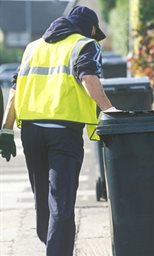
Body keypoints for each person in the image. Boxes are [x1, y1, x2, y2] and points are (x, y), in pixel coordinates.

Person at [0, 5, 117, 256]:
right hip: (63, 133)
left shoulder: (33, 47)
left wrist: (6, 130)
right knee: (61, 202)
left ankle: (52, 246)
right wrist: (110, 110)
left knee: (43, 199)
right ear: (91, 28)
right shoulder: (85, 45)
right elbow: (88, 77)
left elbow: (16, 89)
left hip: (31, 133)